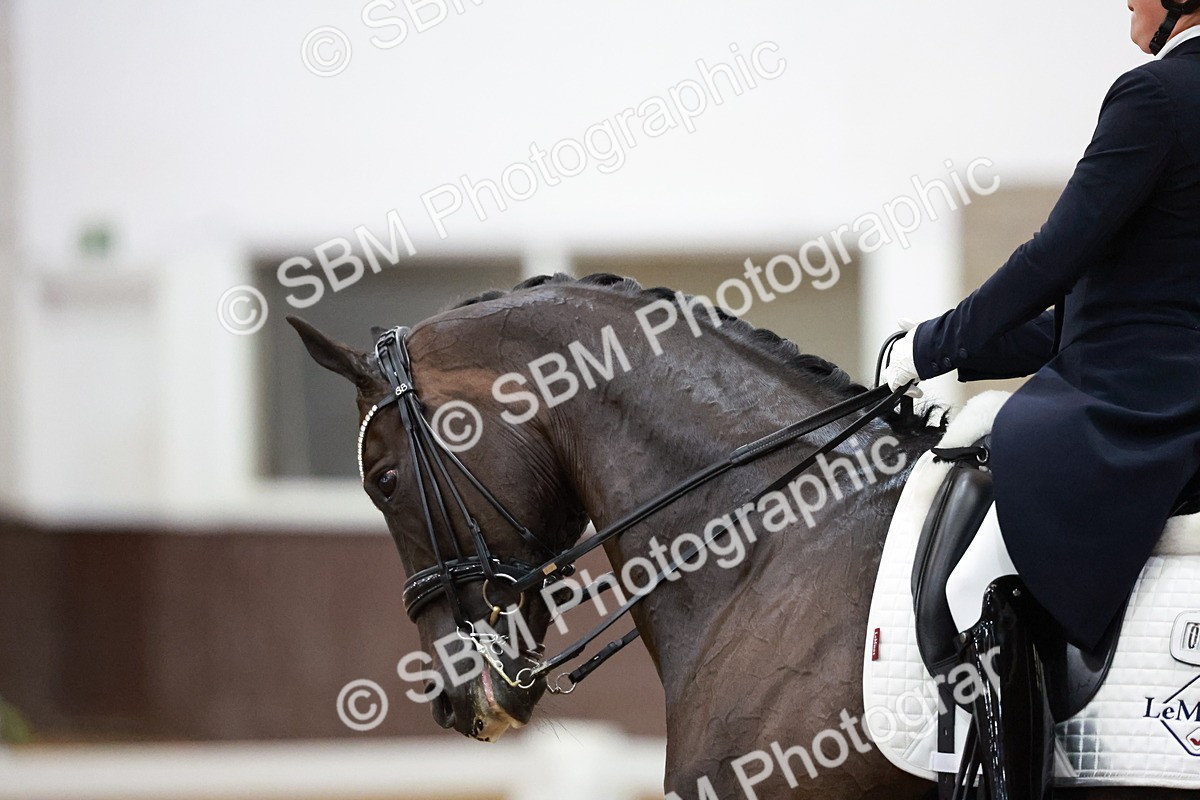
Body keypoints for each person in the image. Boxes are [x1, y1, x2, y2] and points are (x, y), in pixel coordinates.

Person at [884, 2, 1200, 798]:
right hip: (1159, 379)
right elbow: (1090, 313)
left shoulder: (1155, 97)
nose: (1126, 2)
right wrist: (952, 356)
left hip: (1138, 405)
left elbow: (1051, 260)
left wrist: (929, 347)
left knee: (972, 585)